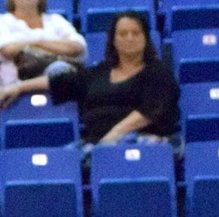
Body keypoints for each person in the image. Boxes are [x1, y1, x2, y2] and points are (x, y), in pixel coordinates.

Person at [0, 10, 179, 150]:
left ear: (146, 38)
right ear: (113, 40)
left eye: (136, 33)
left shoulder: (158, 72)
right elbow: (62, 82)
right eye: (123, 34)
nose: (129, 38)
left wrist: (113, 136)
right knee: (63, 160)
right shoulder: (99, 72)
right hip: (96, 144)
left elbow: (150, 111)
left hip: (143, 142)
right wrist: (19, 87)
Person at [0, 0, 85, 87]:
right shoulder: (3, 22)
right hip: (13, 82)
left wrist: (37, 43)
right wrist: (54, 47)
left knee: (59, 69)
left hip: (56, 80)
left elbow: (78, 47)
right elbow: (8, 50)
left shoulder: (56, 20)